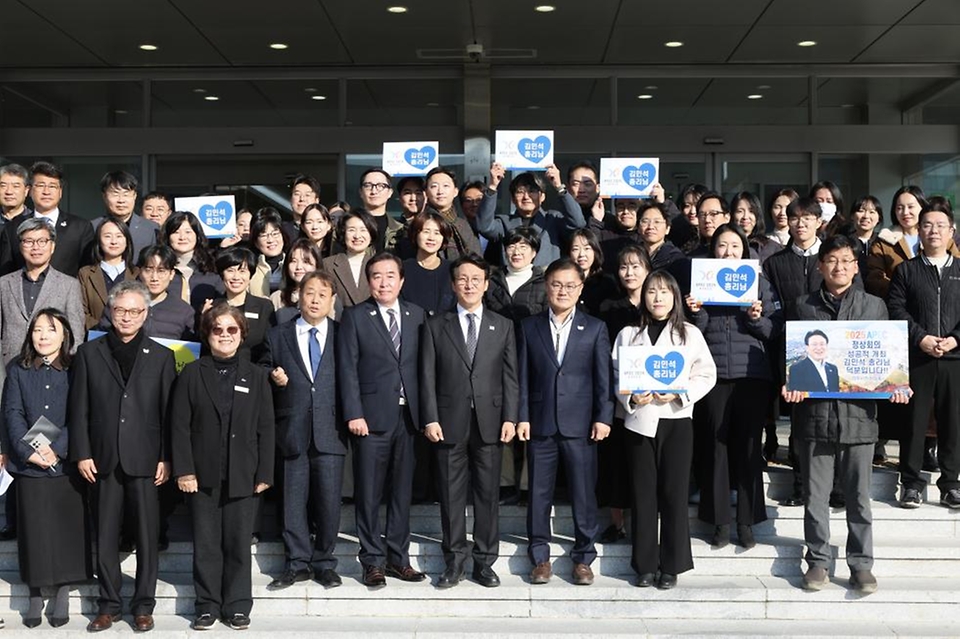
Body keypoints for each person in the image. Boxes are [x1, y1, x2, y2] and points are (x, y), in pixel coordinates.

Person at [783, 233, 911, 593]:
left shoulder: (874, 307)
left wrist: (897, 385)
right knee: (815, 497)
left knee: (859, 499)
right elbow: (789, 356)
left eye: (846, 261)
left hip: (859, 418)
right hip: (814, 417)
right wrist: (788, 383)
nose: (839, 267)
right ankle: (818, 562)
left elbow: (886, 361)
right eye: (832, 260)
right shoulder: (803, 306)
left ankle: (861, 565)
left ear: (856, 267)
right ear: (821, 265)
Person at [69, 280, 176, 633]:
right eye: (120, 310)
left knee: (147, 537)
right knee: (106, 534)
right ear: (110, 311)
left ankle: (143, 605)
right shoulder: (89, 353)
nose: (126, 317)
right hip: (102, 458)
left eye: (134, 311)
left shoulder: (161, 356)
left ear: (146, 314)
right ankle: (109, 604)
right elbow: (78, 409)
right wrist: (82, 452)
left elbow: (167, 413)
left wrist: (166, 457)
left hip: (146, 458)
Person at [171, 302, 274, 630]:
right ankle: (207, 605)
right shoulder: (191, 373)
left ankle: (238, 605)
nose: (225, 335)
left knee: (238, 544)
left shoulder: (256, 376)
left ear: (242, 334)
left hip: (244, 474)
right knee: (206, 544)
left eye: (232, 329)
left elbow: (266, 427)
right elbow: (179, 426)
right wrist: (184, 470)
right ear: (207, 334)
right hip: (202, 476)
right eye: (218, 330)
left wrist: (265, 473)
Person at [612, 269, 717, 589]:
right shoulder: (628, 334)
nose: (657, 298)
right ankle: (644, 565)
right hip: (639, 423)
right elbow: (616, 375)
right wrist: (630, 396)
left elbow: (706, 374)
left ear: (675, 297)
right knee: (643, 496)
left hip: (676, 420)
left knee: (673, 494)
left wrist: (680, 392)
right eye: (651, 292)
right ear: (643, 297)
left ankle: (671, 564)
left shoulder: (689, 334)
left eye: (664, 292)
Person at [419, 254, 519, 588]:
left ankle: (485, 561)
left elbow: (510, 377)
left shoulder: (502, 325)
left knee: (488, 496)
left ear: (486, 284)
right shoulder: (435, 325)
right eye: (462, 278)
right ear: (453, 283)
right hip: (448, 422)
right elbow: (427, 378)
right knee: (450, 496)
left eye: (476, 279)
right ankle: (454, 561)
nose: (469, 284)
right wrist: (430, 418)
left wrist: (511, 416)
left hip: (491, 422)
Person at [517, 258, 614, 586]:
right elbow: (522, 377)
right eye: (557, 284)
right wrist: (522, 416)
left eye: (570, 285)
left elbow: (604, 379)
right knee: (539, 494)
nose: (563, 290)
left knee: (584, 493)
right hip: (541, 423)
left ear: (581, 288)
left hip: (582, 424)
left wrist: (603, 417)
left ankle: (584, 556)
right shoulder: (529, 327)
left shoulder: (595, 328)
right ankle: (539, 557)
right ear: (546, 286)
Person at [686, 223, 781, 549]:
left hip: (751, 374)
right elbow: (692, 332)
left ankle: (747, 521)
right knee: (715, 448)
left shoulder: (758, 282)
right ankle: (719, 522)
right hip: (711, 375)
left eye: (734, 247)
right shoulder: (701, 281)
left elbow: (772, 331)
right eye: (722, 246)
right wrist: (696, 313)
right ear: (713, 251)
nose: (728, 252)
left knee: (749, 450)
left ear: (744, 250)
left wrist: (755, 318)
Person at [337, 253, 426, 587]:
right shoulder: (355, 316)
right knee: (370, 492)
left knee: (402, 492)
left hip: (409, 417)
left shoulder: (417, 314)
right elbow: (347, 368)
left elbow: (423, 368)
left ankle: (398, 558)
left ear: (401, 280)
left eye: (391, 275)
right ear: (368, 281)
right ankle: (372, 560)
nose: (384, 282)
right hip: (370, 418)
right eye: (376, 276)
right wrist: (353, 412)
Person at [2, 309, 92, 627]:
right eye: (37, 330)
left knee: (67, 529)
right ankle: (36, 594)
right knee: (34, 530)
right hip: (29, 466)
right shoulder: (18, 368)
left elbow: (81, 412)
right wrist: (29, 451)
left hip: (65, 462)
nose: (43, 336)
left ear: (64, 335)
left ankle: (64, 591)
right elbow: (12, 412)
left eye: (50, 330)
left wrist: (58, 448)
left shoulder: (76, 368)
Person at [261, 271, 346, 591]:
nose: (314, 300)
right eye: (309, 293)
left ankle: (324, 562)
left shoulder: (342, 334)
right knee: (292, 501)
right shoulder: (278, 334)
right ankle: (296, 563)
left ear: (332, 301)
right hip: (292, 429)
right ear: (298, 296)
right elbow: (263, 368)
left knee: (328, 502)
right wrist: (274, 376)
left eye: (322, 294)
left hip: (331, 430)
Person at [887, 199, 960, 510]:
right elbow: (896, 309)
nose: (933, 231)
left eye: (940, 226)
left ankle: (951, 483)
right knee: (914, 421)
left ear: (951, 232)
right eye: (927, 225)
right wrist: (921, 338)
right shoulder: (906, 270)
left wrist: (955, 340)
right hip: (918, 356)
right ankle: (911, 483)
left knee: (953, 422)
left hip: (955, 358)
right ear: (918, 231)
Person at [596, 245, 652, 544]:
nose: (629, 273)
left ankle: (642, 523)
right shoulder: (608, 307)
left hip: (656, 398)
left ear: (647, 269)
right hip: (619, 394)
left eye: (635, 266)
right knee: (615, 461)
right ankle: (616, 523)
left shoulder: (659, 304)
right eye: (623, 267)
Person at [0, 218, 85, 366]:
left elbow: (75, 334)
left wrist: (67, 368)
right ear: (20, 247)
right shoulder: (4, 283)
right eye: (29, 241)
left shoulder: (69, 285)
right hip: (10, 366)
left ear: (52, 247)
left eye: (42, 241)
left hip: (53, 368)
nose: (35, 247)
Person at [477, 164, 586, 267]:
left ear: (542, 197)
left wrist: (559, 187)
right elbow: (484, 226)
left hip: (545, 282)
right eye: (520, 192)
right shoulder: (504, 222)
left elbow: (578, 223)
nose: (526, 197)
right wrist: (492, 186)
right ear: (513, 199)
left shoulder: (553, 220)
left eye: (532, 191)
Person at [0, 161, 95, 278]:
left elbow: (87, 272)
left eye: (52, 186)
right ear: (29, 191)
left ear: (60, 192)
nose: (46, 192)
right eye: (40, 186)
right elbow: (6, 272)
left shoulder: (81, 227)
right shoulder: (13, 227)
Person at [207, 247, 276, 361]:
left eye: (242, 271)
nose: (236, 277)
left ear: (250, 275)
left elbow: (270, 347)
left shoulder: (264, 307)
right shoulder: (211, 307)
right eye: (230, 270)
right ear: (222, 274)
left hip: (255, 372)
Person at [865, 186, 929, 299]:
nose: (905, 212)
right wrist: (901, 291)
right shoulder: (884, 241)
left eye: (911, 207)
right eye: (899, 208)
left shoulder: (937, 237)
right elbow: (874, 277)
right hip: (897, 303)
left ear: (922, 207)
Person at [79, 218, 139, 330]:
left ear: (127, 241)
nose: (113, 241)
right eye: (107, 236)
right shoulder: (85, 274)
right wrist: (102, 328)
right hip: (96, 337)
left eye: (119, 236)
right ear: (99, 241)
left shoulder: (137, 273)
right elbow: (81, 311)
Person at [161, 211, 224, 312]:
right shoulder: (160, 270)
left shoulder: (212, 267)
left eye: (188, 232)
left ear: (197, 235)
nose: (182, 237)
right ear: (168, 237)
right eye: (176, 232)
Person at [485, 227, 548, 326]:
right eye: (511, 247)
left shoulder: (544, 283)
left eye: (523, 247)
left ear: (534, 252)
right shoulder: (492, 281)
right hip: (498, 339)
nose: (516, 252)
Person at [91, 171, 159, 259]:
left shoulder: (151, 228)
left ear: (135, 196)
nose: (121, 200)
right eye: (115, 194)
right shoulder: (93, 227)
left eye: (126, 194)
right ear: (104, 196)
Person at [400, 211, 456, 317]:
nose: (431, 238)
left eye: (437, 233)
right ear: (415, 234)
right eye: (426, 231)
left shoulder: (452, 270)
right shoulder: (403, 269)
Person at [135, 245, 197, 341]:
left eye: (161, 271)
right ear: (139, 272)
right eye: (148, 270)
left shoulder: (184, 311)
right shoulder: (123, 303)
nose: (154, 278)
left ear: (171, 274)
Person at [424, 167, 481, 259]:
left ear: (455, 192)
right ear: (426, 192)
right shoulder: (420, 223)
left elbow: (477, 259)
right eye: (434, 186)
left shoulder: (463, 225)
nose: (440, 191)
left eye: (446, 186)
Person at [323, 209, 376, 308]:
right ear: (343, 233)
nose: (357, 236)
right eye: (351, 230)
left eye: (363, 230)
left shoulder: (379, 265)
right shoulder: (328, 265)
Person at [567, 228, 618, 317]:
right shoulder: (564, 281)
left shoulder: (607, 282)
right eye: (576, 249)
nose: (581, 254)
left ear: (595, 251)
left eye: (587, 248)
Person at [273, 238, 323, 323]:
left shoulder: (328, 297)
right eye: (293, 261)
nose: (299, 267)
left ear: (317, 265)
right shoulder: (277, 298)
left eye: (305, 262)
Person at [357, 169, 403, 253]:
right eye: (368, 185)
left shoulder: (400, 230)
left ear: (390, 192)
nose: (374, 191)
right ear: (360, 192)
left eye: (381, 186)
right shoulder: (346, 226)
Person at [249, 208, 289, 298]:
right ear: (255, 241)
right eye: (263, 235)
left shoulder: (292, 264)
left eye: (275, 234)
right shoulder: (249, 266)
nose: (270, 240)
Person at [731, 191, 779, 264]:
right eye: (740, 211)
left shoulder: (772, 248)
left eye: (751, 211)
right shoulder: (724, 245)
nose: (745, 217)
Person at [285, 173, 321, 239]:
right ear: (290, 199)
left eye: (307, 195)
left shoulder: (323, 232)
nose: (302, 199)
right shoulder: (282, 232)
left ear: (316, 201)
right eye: (297, 194)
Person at [0, 163, 31, 228]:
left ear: (26, 190)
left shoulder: (35, 221)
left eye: (15, 186)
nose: (9, 192)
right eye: (3, 186)